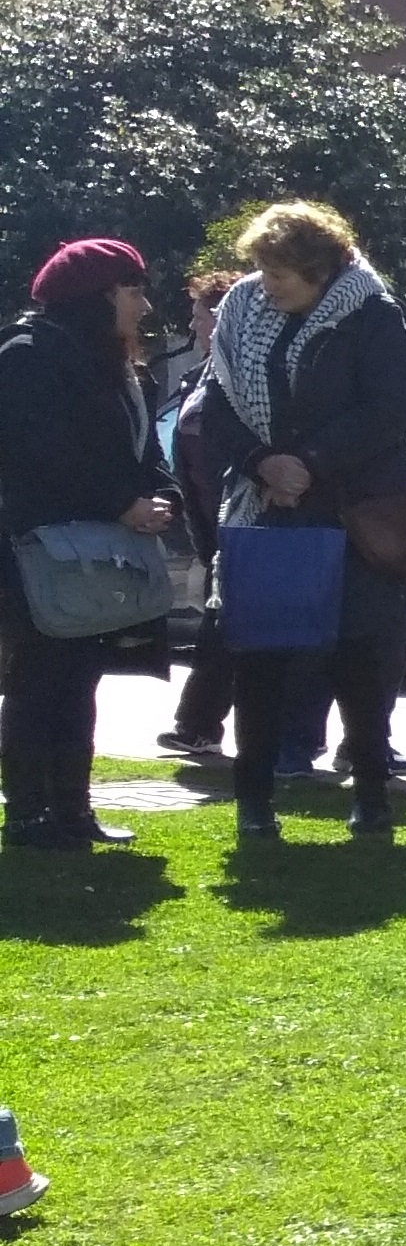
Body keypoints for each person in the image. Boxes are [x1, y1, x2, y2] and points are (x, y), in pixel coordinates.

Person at [203, 202, 406, 843]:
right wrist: (263, 463)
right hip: (267, 507)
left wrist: (311, 462)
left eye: (281, 274)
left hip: (353, 510)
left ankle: (371, 795)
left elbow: (393, 404)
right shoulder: (241, 312)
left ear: (322, 271)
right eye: (263, 270)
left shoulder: (372, 314)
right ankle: (254, 803)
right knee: (261, 657)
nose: (266, 284)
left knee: (360, 656)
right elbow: (215, 404)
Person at [0, 239, 178, 849]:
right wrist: (118, 503)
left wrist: (161, 495)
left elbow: (139, 447)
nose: (144, 304)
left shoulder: (117, 364)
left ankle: (73, 810)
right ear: (100, 295)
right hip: (39, 551)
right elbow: (36, 452)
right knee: (38, 678)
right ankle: (27, 814)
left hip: (96, 551)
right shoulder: (28, 356)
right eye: (133, 290)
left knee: (78, 679)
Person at [153, 272, 240, 761]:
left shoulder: (239, 377)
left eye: (202, 313)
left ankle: (198, 724)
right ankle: (198, 725)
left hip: (243, 523)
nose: (194, 323)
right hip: (210, 528)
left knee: (223, 625)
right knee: (221, 623)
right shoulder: (199, 376)